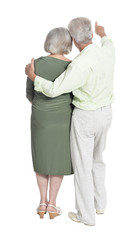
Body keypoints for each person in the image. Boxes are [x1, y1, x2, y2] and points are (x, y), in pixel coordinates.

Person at [25, 17, 115, 226]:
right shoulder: (106, 51)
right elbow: (109, 42)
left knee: (82, 166)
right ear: (90, 35)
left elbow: (55, 89)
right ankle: (99, 204)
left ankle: (86, 216)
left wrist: (33, 76)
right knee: (97, 159)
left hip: (85, 118)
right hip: (105, 114)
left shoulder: (79, 65)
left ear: (74, 40)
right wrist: (103, 33)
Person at [26, 27, 73, 219]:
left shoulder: (35, 63)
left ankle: (42, 202)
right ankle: (53, 204)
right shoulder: (73, 65)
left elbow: (29, 93)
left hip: (40, 117)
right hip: (63, 118)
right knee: (58, 160)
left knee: (42, 158)